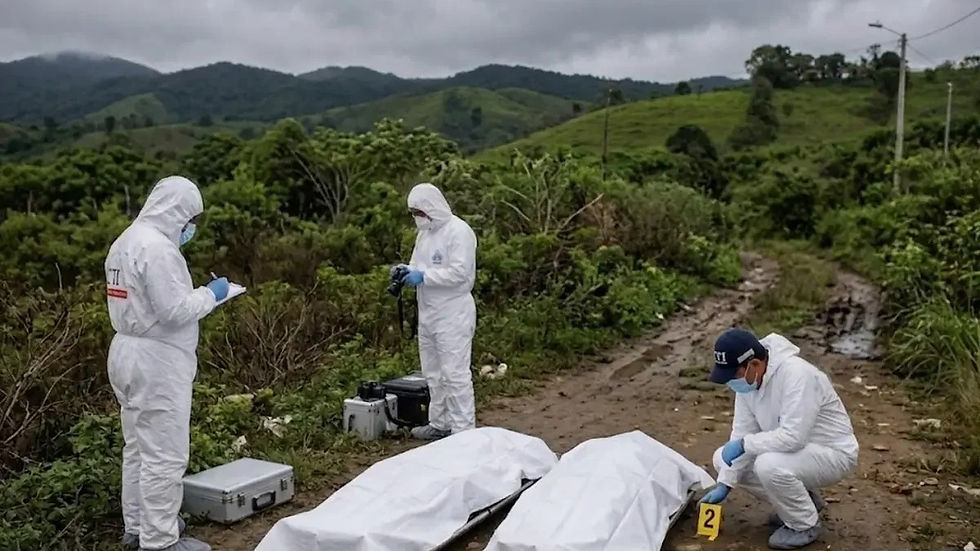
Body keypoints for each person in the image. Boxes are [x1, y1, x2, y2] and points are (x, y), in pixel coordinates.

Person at [105, 176, 229, 551]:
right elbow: (175, 310)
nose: (191, 227)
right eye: (190, 218)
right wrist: (212, 293)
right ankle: (160, 542)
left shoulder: (125, 240)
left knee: (138, 446)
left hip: (126, 351)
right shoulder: (157, 248)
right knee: (165, 453)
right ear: (178, 212)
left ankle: (138, 525)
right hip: (156, 360)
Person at [698, 328, 859, 550]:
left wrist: (745, 445)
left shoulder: (798, 375)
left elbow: (793, 437)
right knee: (722, 459)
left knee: (768, 465)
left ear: (754, 364)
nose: (731, 383)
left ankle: (803, 525)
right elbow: (742, 433)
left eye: (733, 375)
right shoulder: (749, 385)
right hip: (792, 453)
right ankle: (804, 502)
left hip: (832, 452)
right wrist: (725, 482)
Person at [396, 182, 478, 441]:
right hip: (428, 313)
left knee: (454, 374)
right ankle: (440, 424)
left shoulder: (458, 231)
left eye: (419, 212)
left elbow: (460, 274)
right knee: (433, 372)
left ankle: (463, 431)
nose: (417, 218)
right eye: (413, 213)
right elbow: (415, 265)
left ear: (432, 207)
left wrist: (424, 276)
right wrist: (404, 272)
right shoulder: (425, 234)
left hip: (453, 313)